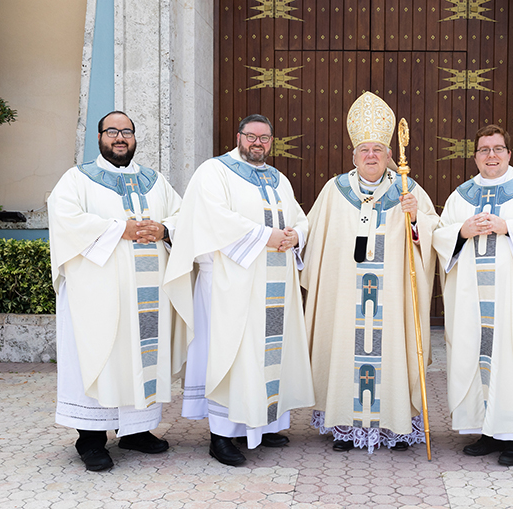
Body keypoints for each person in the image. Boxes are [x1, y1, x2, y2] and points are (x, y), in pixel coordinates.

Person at [163, 114, 314, 466]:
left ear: (272, 142)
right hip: (230, 283)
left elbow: (299, 217)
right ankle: (222, 435)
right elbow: (212, 217)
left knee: (267, 354)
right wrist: (267, 236)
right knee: (231, 354)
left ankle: (264, 422)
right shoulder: (213, 171)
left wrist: (296, 235)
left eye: (264, 138)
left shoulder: (278, 179)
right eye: (251, 136)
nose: (257, 143)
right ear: (238, 137)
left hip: (274, 282)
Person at [300, 91, 440, 453]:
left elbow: (432, 235)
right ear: (353, 155)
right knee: (344, 350)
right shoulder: (335, 190)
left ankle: (395, 427)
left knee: (392, 351)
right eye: (365, 150)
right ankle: (345, 425)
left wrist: (416, 218)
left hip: (391, 300)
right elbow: (313, 238)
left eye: (379, 149)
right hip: (346, 296)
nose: (372, 156)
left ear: (390, 155)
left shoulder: (407, 189)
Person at [48, 111, 184, 471]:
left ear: (136, 138)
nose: (120, 137)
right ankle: (91, 439)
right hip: (96, 296)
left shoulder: (155, 181)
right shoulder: (76, 180)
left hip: (148, 297)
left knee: (141, 358)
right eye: (112, 131)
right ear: (99, 137)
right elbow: (65, 221)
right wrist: (118, 229)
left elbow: (184, 217)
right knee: (99, 357)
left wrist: (165, 229)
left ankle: (136, 432)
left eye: (127, 132)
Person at [433, 124, 513, 466]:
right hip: (473, 298)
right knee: (478, 358)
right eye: (484, 150)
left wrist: (510, 227)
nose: (491, 155)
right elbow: (441, 235)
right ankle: (487, 431)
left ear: (509, 153)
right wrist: (462, 231)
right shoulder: (461, 195)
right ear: (475, 156)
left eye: (498, 149)